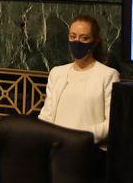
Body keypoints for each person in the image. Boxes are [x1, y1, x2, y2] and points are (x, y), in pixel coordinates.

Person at [39, 15, 120, 147]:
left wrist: (77, 138)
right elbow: (46, 116)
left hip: (87, 149)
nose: (77, 42)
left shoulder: (108, 75)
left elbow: (111, 123)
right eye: (73, 36)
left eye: (84, 38)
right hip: (56, 148)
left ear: (95, 41)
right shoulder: (57, 73)